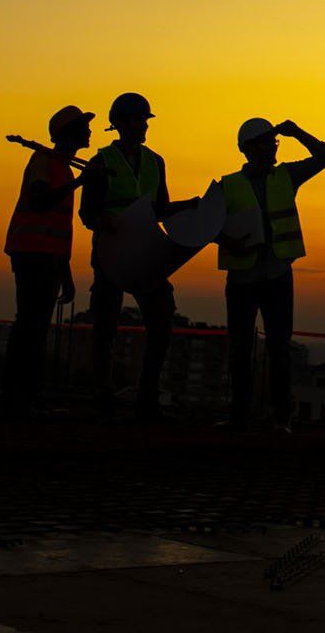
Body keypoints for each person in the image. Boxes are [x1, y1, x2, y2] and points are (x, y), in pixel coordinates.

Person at [218, 117, 325, 431]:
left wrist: (297, 132)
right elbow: (208, 225)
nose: (273, 147)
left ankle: (281, 417)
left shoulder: (286, 176)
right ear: (249, 149)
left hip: (277, 274)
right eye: (267, 142)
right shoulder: (228, 185)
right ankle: (239, 416)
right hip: (243, 277)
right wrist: (227, 240)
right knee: (241, 349)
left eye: (274, 141)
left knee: (279, 348)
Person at [79, 91, 181, 421]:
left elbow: (161, 209)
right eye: (138, 120)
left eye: (144, 120)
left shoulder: (155, 162)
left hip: (147, 252)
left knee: (162, 320)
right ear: (120, 124)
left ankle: (147, 395)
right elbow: (87, 213)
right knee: (106, 325)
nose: (143, 126)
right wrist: (103, 221)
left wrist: (194, 207)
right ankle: (103, 393)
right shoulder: (100, 163)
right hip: (111, 252)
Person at [0, 104, 89, 418]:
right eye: (83, 126)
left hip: (48, 258)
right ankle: (17, 397)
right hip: (31, 254)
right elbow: (39, 203)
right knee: (29, 326)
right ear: (69, 133)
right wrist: (78, 183)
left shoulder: (62, 167)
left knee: (36, 328)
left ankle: (27, 396)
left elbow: (59, 227)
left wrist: (64, 273)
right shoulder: (45, 162)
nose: (89, 131)